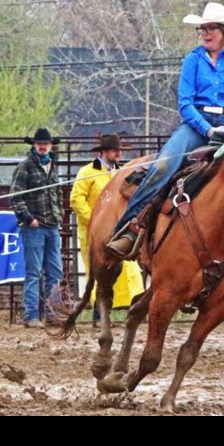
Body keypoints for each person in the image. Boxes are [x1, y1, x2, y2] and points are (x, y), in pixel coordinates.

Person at [105, 3, 224, 279]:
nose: (205, 33)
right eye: (202, 29)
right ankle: (130, 228)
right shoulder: (193, 60)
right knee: (162, 166)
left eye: (211, 28)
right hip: (196, 125)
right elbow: (185, 103)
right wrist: (207, 130)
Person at [70, 134, 144, 325]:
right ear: (104, 151)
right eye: (114, 150)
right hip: (95, 232)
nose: (118, 153)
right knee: (99, 269)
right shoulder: (88, 172)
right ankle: (98, 316)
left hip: (119, 230)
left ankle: (123, 312)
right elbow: (77, 200)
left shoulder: (122, 173)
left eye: (119, 150)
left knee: (125, 271)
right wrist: (95, 222)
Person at [11, 129, 64, 328]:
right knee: (34, 272)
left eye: (46, 143)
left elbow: (57, 193)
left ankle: (53, 313)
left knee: (55, 271)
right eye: (40, 143)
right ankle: (31, 315)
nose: (43, 147)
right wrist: (29, 218)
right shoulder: (25, 167)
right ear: (34, 145)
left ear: (50, 145)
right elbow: (15, 196)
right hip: (34, 226)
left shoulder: (52, 166)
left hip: (51, 225)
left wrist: (59, 214)